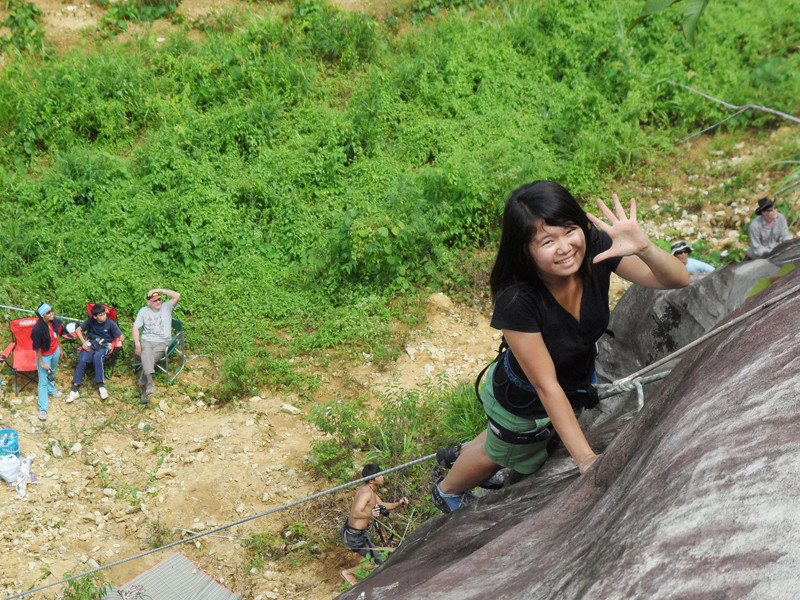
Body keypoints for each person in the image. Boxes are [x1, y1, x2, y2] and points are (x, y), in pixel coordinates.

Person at [430, 181, 689, 513]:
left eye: (569, 231)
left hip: (568, 382)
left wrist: (644, 248)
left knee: (507, 436)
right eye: (547, 241)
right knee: (504, 451)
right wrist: (586, 461)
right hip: (524, 397)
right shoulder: (517, 298)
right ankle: (448, 489)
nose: (566, 247)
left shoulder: (595, 247)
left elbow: (677, 280)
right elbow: (545, 384)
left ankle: (463, 450)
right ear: (524, 250)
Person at [340, 464, 409, 585]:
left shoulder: (370, 491)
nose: (383, 477)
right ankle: (348, 573)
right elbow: (356, 513)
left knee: (363, 558)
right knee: (376, 561)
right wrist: (371, 513)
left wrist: (398, 503)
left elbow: (383, 505)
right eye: (379, 475)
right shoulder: (365, 493)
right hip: (354, 536)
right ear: (372, 480)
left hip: (359, 534)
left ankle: (360, 580)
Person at [66, 304, 124, 403]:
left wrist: (119, 342)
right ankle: (75, 388)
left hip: (104, 344)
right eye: (101, 315)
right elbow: (78, 330)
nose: (104, 317)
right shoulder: (91, 321)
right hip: (91, 343)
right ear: (95, 316)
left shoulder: (110, 323)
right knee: (82, 358)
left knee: (98, 357)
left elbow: (121, 336)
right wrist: (84, 343)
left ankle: (101, 385)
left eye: (104, 314)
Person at [132, 288, 180, 405]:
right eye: (154, 300)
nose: (158, 302)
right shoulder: (144, 311)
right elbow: (135, 328)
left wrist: (160, 290)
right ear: (149, 302)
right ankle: (149, 384)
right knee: (146, 354)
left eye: (159, 299)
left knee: (148, 358)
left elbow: (177, 295)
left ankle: (145, 385)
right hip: (147, 341)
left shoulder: (166, 307)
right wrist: (137, 344)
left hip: (163, 343)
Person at [30, 303, 65, 421]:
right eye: (48, 312)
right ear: (42, 316)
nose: (52, 313)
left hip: (55, 351)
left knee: (53, 372)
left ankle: (52, 390)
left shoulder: (54, 322)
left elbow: (57, 335)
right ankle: (43, 408)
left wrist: (60, 349)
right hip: (44, 355)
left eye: (52, 310)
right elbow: (37, 348)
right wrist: (41, 362)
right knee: (43, 381)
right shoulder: (37, 330)